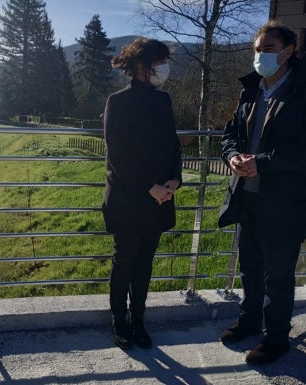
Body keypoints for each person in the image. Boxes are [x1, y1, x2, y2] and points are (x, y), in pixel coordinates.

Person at [218, 20, 306, 364]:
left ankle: (276, 337)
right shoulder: (251, 89)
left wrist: (263, 162)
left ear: (289, 51)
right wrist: (233, 156)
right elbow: (230, 134)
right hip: (247, 196)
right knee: (250, 266)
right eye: (257, 50)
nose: (260, 56)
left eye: (268, 49)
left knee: (278, 273)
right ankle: (250, 320)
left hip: (285, 202)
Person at [103, 38, 182, 350]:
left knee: (145, 261)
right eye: (159, 62)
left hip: (159, 196)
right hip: (128, 198)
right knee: (125, 260)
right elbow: (117, 156)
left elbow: (173, 146)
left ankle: (138, 321)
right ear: (140, 67)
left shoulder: (164, 101)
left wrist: (174, 181)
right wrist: (150, 186)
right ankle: (119, 321)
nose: (164, 68)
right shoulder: (117, 101)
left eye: (165, 61)